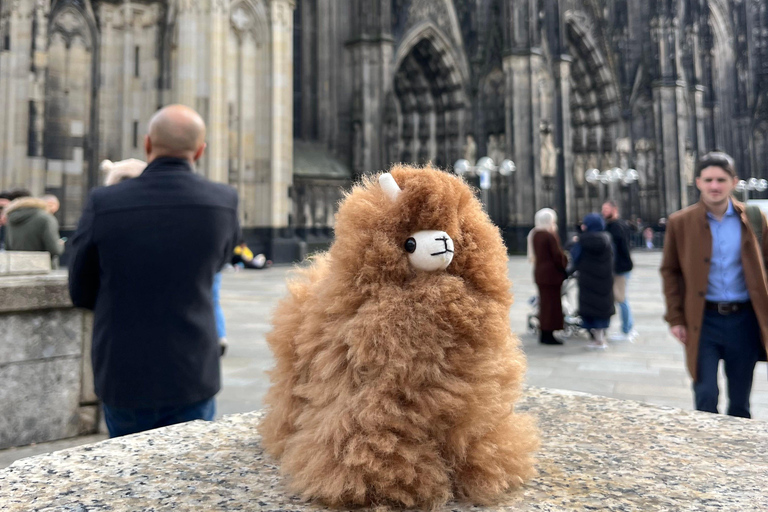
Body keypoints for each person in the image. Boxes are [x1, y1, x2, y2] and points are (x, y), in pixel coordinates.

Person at [68, 104, 240, 437]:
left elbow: (80, 288)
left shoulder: (104, 202)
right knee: (191, 474)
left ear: (148, 144)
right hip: (192, 370)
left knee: (128, 476)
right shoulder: (223, 201)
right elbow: (218, 263)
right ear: (200, 150)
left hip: (124, 372)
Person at [660, 151, 768, 418]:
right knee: (705, 394)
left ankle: (735, 456)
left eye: (721, 179)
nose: (714, 186)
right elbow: (670, 271)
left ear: (734, 181)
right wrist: (675, 318)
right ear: (698, 182)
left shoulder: (754, 218)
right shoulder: (680, 222)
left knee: (740, 401)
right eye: (708, 180)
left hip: (743, 320)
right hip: (703, 320)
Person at [570, 212, 615, 350]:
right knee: (602, 307)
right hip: (604, 279)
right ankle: (601, 338)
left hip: (587, 280)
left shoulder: (582, 241)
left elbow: (574, 257)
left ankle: (597, 339)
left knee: (590, 307)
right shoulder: (607, 239)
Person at [528, 208, 568, 345]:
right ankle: (548, 334)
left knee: (545, 305)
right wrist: (565, 262)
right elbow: (557, 256)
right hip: (551, 275)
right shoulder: (549, 235)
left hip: (540, 273)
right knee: (552, 305)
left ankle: (544, 332)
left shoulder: (535, 234)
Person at [602, 200, 638, 342]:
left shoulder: (616, 226)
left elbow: (620, 249)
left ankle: (627, 330)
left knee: (621, 298)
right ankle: (628, 328)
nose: (604, 212)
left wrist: (617, 265)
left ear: (614, 210)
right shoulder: (615, 225)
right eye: (603, 209)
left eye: (606, 209)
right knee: (620, 298)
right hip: (620, 267)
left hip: (620, 268)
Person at [2, 189, 65, 258]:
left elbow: (7, 247)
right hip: (41, 265)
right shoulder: (46, 218)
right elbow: (55, 249)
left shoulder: (11, 218)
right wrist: (60, 244)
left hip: (16, 264)